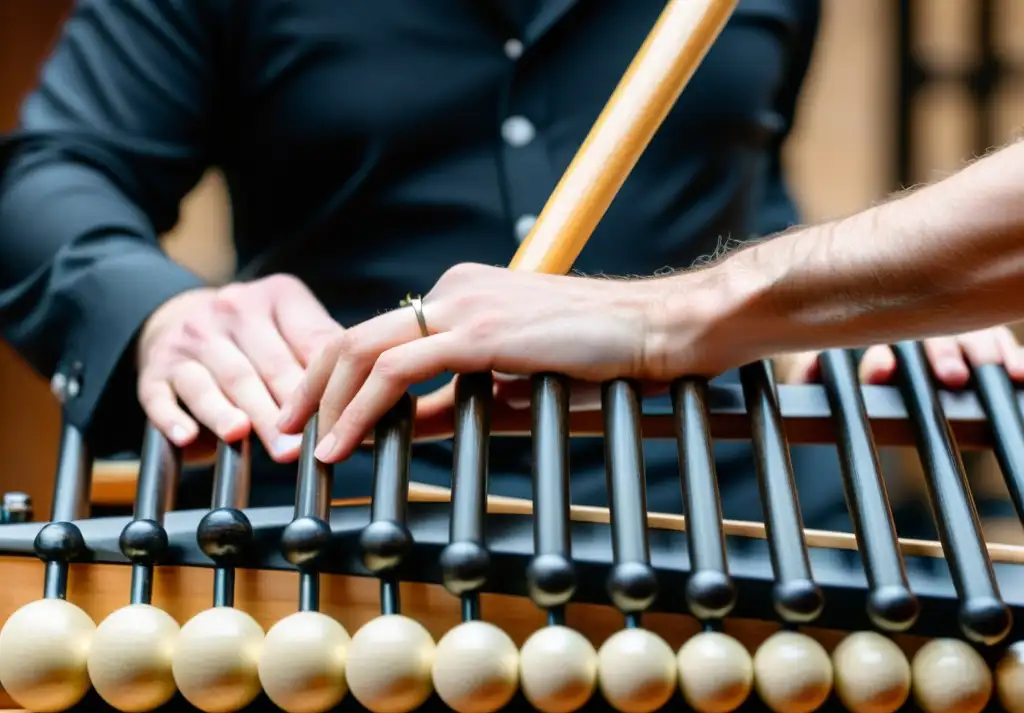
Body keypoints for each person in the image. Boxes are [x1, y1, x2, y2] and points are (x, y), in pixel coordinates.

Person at [0, 0, 1018, 541]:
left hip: (744, 535)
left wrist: (854, 301)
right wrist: (157, 310)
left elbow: (748, 186)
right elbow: (51, 175)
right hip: (349, 531)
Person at [284, 135, 1024, 465]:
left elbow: (748, 186)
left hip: (747, 498)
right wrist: (170, 310)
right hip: (369, 493)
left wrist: (872, 309)